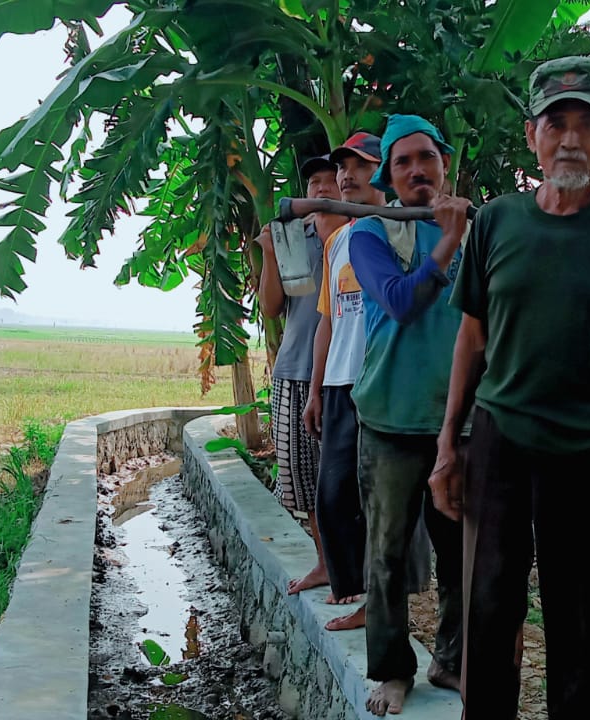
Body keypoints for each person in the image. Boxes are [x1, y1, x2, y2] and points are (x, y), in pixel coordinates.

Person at [430, 56, 590, 719]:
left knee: (589, 626)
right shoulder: (496, 224)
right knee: (490, 609)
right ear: (532, 134)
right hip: (500, 446)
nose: (571, 139)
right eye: (556, 123)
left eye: (586, 124)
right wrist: (448, 446)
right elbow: (471, 340)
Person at [349, 114, 469, 715]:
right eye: (403, 163)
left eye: (426, 157)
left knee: (461, 553)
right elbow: (398, 303)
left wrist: (456, 236)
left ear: (444, 163)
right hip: (391, 420)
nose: (417, 170)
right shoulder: (370, 232)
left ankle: (451, 661)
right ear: (390, 176)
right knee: (387, 550)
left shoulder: (476, 234)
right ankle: (393, 669)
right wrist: (443, 244)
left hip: (461, 422)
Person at [303, 131, 387, 631]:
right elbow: (330, 321)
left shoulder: (400, 232)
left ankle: (373, 599)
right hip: (339, 383)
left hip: (378, 381)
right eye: (343, 167)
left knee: (376, 497)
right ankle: (352, 586)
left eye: (360, 165)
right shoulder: (339, 242)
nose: (347, 175)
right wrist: (316, 389)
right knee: (333, 493)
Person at [255, 155, 343, 595]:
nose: (323, 189)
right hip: (295, 369)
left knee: (343, 478)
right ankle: (326, 563)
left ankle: (349, 569)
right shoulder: (294, 237)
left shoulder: (358, 235)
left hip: (343, 374)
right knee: (305, 480)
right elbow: (273, 306)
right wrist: (270, 253)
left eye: (331, 181)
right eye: (314, 182)